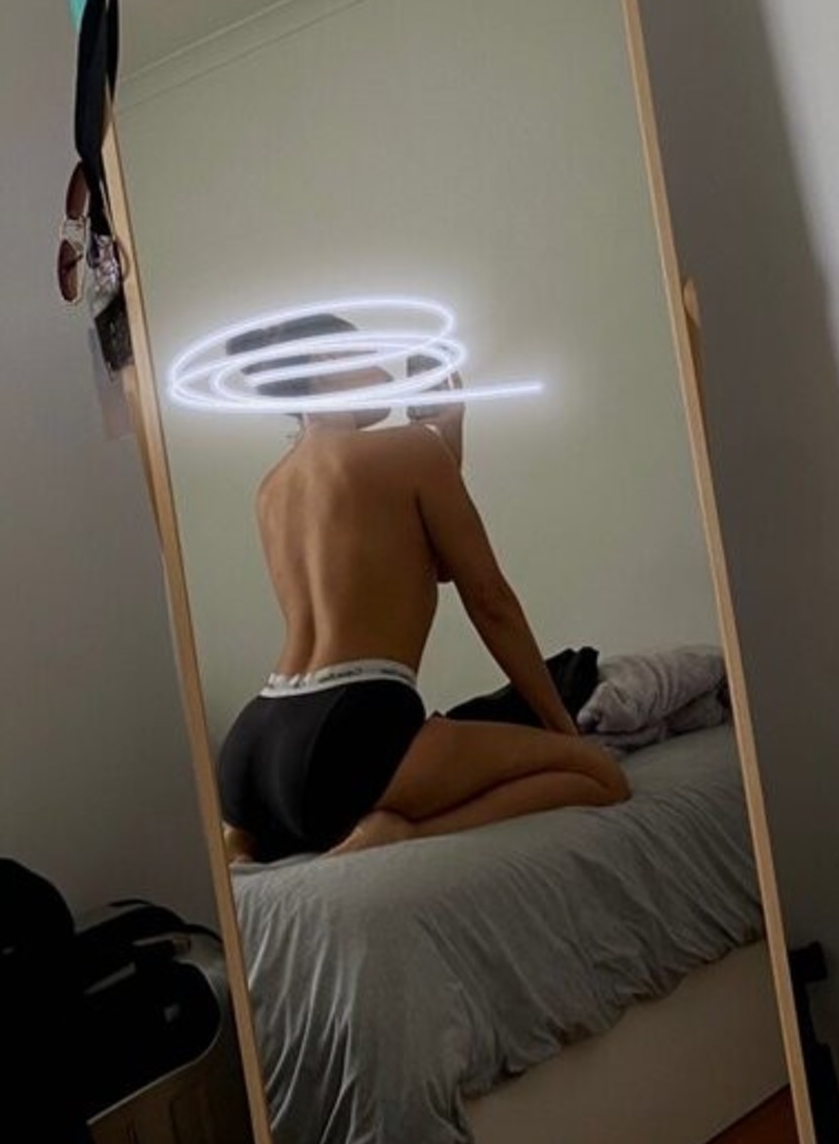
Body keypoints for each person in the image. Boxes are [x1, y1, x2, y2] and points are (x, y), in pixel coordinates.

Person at [216, 315, 629, 863]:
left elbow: (419, 565)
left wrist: (449, 443)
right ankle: (401, 832)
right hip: (351, 728)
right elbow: (489, 601)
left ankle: (249, 840)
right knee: (600, 776)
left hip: (256, 746)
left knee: (310, 798)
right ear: (324, 363)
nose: (389, 373)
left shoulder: (271, 490)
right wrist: (562, 731)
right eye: (368, 354)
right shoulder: (410, 451)